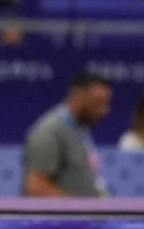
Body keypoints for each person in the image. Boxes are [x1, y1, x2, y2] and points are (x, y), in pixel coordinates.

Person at [22, 70, 111, 198]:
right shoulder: (50, 133)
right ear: (78, 95)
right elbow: (36, 187)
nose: (104, 111)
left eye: (106, 103)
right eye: (98, 103)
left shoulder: (79, 129)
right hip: (66, 217)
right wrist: (77, 208)